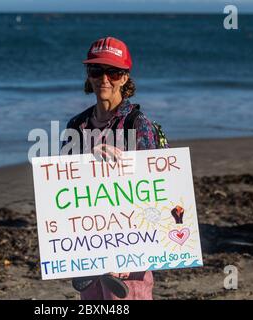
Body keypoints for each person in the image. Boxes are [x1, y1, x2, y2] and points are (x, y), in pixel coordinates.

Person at [61, 36, 169, 300]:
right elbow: (62, 185)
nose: (104, 79)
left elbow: (158, 187)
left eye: (113, 71)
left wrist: (124, 168)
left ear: (124, 78)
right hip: (90, 242)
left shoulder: (137, 124)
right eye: (96, 70)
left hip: (130, 247)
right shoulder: (77, 125)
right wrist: (87, 158)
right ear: (89, 75)